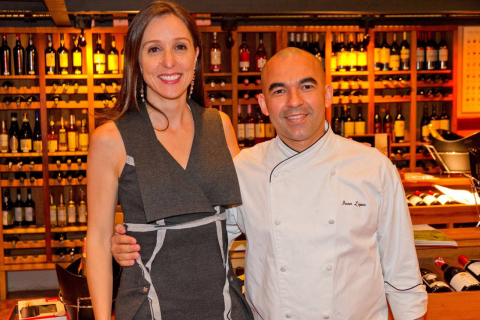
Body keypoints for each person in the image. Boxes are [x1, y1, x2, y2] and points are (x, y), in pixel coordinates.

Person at [111, 47, 428, 319]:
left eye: (306, 86)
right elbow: (202, 236)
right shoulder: (244, 169)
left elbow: (402, 277)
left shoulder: (373, 168)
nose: (293, 102)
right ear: (263, 105)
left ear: (328, 94)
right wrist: (133, 242)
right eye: (279, 91)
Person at [86, 2, 253, 320]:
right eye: (153, 49)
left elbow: (246, 218)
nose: (168, 61)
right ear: (136, 59)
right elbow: (96, 239)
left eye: (179, 46)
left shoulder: (220, 126)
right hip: (151, 308)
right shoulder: (111, 139)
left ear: (196, 56)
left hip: (224, 308)